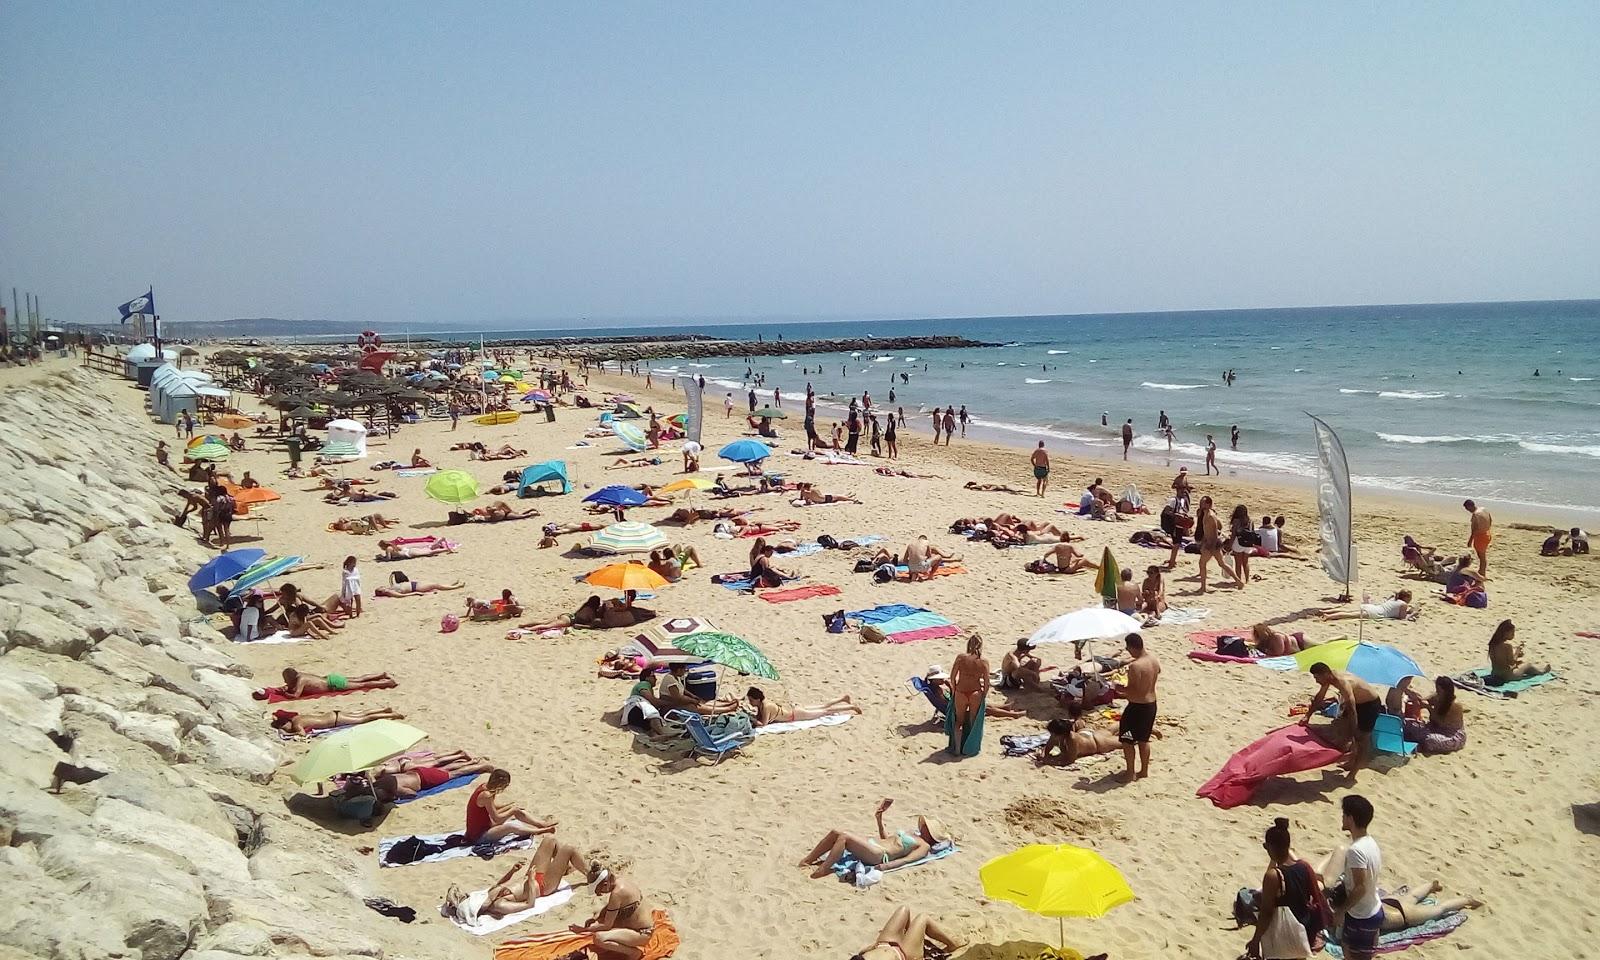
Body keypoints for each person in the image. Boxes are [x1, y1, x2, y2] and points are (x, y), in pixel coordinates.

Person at [443, 835, 591, 923]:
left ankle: (563, 868)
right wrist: (532, 882)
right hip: (542, 886)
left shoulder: (488, 896)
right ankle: (591, 875)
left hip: (531, 876)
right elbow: (529, 904)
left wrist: (512, 871)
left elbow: (499, 884)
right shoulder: (500, 905)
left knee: (549, 840)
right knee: (568, 849)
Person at [799, 799, 951, 878]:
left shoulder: (923, 846)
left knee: (844, 837)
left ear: (930, 834)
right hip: (875, 845)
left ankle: (823, 869)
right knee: (836, 832)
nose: (923, 826)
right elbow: (888, 839)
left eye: (927, 826)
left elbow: (906, 860)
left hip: (879, 855)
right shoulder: (914, 835)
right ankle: (808, 859)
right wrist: (879, 819)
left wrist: (883, 867)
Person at [1245, 817, 1326, 959]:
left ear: (1269, 847)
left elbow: (1266, 913)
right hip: (1302, 930)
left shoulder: (1273, 876)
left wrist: (1255, 940)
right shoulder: (1304, 867)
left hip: (1284, 933)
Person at [568, 862, 662, 958]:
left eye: (599, 891)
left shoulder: (617, 894)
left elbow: (606, 925)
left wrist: (583, 930)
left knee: (599, 938)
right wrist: (598, 916)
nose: (599, 894)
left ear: (605, 884)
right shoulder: (621, 881)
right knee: (598, 915)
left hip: (642, 933)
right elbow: (611, 907)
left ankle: (633, 953)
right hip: (639, 925)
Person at [1305, 663, 1381, 776]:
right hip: (1355, 703)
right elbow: (1319, 697)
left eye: (1317, 678)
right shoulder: (1328, 678)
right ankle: (1350, 761)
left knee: (1361, 739)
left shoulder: (1343, 682)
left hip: (1369, 704)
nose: (1316, 681)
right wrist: (1307, 716)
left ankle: (1354, 772)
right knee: (1345, 732)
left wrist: (1354, 730)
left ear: (1326, 674)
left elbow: (1351, 708)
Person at [1334, 795, 1382, 960]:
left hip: (1362, 916)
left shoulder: (1356, 851)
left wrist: (1341, 910)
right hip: (1372, 909)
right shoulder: (1371, 842)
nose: (1342, 818)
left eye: (1344, 815)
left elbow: (1360, 887)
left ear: (1351, 818)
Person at [464, 769, 557, 844]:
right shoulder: (486, 795)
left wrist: (509, 806)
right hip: (479, 836)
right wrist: (511, 811)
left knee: (516, 809)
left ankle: (540, 824)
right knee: (510, 826)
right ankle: (536, 831)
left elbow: (492, 807)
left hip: (486, 824)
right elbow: (497, 819)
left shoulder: (485, 787)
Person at [1114, 633, 1159, 781]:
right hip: (1151, 705)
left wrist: (1119, 689)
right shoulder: (1153, 659)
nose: (1128, 651)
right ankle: (1144, 771)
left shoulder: (1135, 666)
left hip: (1137, 708)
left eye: (1128, 648)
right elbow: (1157, 672)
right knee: (1143, 740)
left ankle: (1130, 773)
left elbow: (1134, 690)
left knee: (1127, 740)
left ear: (1133, 647)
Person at [845, 907, 966, 960]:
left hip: (884, 945)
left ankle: (912, 938)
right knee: (923, 918)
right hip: (904, 955)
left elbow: (860, 954)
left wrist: (873, 947)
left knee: (904, 909)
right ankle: (953, 944)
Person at [373, 752, 495, 803]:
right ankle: (470, 762)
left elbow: (413, 794)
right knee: (444, 769)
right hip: (416, 772)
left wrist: (396, 797)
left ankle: (482, 767)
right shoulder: (384, 781)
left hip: (425, 779)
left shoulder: (397, 789)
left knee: (454, 774)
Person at [1390, 675, 1466, 754]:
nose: (1438, 692)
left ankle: (1419, 745)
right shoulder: (1438, 697)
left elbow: (1440, 722)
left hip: (1449, 736)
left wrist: (1428, 708)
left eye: (1440, 691)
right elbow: (1423, 700)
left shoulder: (1454, 706)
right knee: (1406, 724)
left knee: (1430, 740)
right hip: (1433, 729)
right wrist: (1413, 696)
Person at [1037, 706, 1122, 766]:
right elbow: (1049, 746)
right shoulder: (1058, 735)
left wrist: (1050, 761)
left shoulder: (1071, 740)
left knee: (1125, 741)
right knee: (1109, 730)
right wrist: (1044, 755)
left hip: (1098, 744)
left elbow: (1070, 760)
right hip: (1088, 734)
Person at [948, 635, 989, 754]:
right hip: (975, 692)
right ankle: (969, 748)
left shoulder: (961, 658)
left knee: (959, 721)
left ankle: (957, 749)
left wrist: (955, 689)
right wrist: (983, 695)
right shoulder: (983, 661)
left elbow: (952, 676)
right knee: (972, 720)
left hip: (961, 691)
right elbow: (987, 682)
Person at [1196, 497, 1241, 593]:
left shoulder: (1211, 516)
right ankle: (1238, 581)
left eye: (1203, 503)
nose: (1201, 505)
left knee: (1202, 563)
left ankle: (1203, 587)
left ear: (1208, 504)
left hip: (1213, 544)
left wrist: (1211, 546)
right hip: (1209, 543)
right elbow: (1206, 530)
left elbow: (1216, 531)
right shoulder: (1204, 514)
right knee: (1222, 564)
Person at [745, 687, 861, 726]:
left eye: (751, 700)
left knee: (826, 711)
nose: (750, 702)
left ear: (757, 699)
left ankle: (851, 708)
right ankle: (843, 699)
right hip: (794, 709)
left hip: (795, 715)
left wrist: (752, 720)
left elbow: (763, 724)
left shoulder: (766, 707)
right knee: (823, 706)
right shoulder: (763, 704)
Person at [1487, 619, 1548, 684]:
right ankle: (1542, 671)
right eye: (1512, 633)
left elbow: (1502, 661)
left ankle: (1537, 670)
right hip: (1507, 676)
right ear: (1505, 633)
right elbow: (1511, 663)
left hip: (1494, 673)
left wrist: (1517, 658)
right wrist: (1517, 652)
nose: (1513, 635)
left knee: (1521, 664)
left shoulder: (1492, 644)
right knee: (1528, 665)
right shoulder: (1507, 646)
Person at [269, 706, 404, 735]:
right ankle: (385, 710)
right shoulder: (297, 718)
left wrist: (287, 734)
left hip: (335, 721)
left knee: (364, 719)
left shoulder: (297, 724)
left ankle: (392, 716)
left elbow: (302, 734)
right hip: (332, 715)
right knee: (361, 713)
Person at [276, 667, 396, 697]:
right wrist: (286, 688)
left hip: (332, 684)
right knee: (359, 678)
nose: (285, 682)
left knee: (361, 685)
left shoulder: (301, 681)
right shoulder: (301, 675)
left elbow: (296, 695)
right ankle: (382, 675)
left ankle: (386, 683)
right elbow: (292, 686)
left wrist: (284, 694)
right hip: (330, 678)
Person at [1317, 590, 1413, 621]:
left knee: (1349, 612)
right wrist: (1412, 614)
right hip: (1375, 613)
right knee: (1349, 615)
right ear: (1407, 598)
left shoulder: (1394, 599)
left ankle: (1326, 612)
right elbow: (1402, 618)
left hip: (1373, 607)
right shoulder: (1403, 604)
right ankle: (1328, 616)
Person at [373, 571, 466, 597]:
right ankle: (456, 586)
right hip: (416, 587)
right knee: (436, 585)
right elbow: (401, 596)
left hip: (415, 584)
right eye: (380, 588)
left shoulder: (390, 588)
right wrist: (416, 593)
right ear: (382, 592)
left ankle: (451, 584)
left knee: (436, 584)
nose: (382, 587)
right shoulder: (390, 592)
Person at [1463, 499, 1493, 576]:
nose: (1467, 510)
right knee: (1482, 555)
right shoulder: (1483, 509)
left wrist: (1470, 541)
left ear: (1469, 506)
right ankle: (1481, 571)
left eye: (1467, 508)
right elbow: (1490, 520)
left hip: (1480, 537)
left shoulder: (1475, 515)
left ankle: (1482, 573)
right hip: (1487, 533)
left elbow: (1474, 530)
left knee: (1481, 556)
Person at [1229, 504, 1256, 588]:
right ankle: (1247, 580)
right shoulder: (1250, 521)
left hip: (1238, 543)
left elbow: (1233, 535)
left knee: (1238, 563)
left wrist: (1229, 545)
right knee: (1245, 562)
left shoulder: (1236, 521)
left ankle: (1239, 580)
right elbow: (1253, 532)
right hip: (1248, 544)